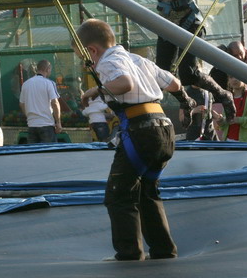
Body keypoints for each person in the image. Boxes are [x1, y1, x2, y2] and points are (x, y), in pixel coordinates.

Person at [75, 19, 178, 261]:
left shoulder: (109, 61)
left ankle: (129, 254)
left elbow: (125, 83)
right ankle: (164, 251)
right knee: (147, 193)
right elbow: (174, 84)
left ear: (92, 50)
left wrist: (95, 90)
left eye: (85, 57)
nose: (86, 63)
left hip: (142, 132)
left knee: (118, 195)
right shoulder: (137, 59)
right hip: (163, 129)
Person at [123, 0, 235, 127]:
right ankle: (186, 102)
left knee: (188, 74)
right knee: (162, 73)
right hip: (166, 22)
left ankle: (223, 95)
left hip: (187, 21)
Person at [19, 59, 62, 144]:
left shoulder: (26, 84)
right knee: (51, 154)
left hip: (31, 125)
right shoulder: (49, 83)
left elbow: (21, 104)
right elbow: (55, 103)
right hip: (47, 125)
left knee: (34, 155)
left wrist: (29, 116)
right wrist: (58, 122)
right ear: (48, 69)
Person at [214, 75, 247, 143]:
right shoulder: (227, 97)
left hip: (245, 144)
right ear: (228, 80)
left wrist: (239, 120)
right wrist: (220, 120)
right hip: (227, 142)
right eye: (231, 77)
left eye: (237, 76)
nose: (234, 80)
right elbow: (224, 125)